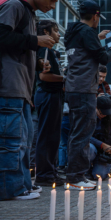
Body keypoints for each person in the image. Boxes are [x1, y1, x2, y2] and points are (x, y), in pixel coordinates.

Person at [0, 0, 56, 200]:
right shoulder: (14, 6)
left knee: (24, 142)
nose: (54, 6)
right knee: (11, 142)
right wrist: (35, 41)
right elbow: (2, 35)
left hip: (22, 90)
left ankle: (23, 184)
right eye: (52, 0)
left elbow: (18, 47)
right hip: (9, 87)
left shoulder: (29, 13)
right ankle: (10, 189)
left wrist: (39, 63)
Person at [64, 0, 111, 190]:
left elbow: (85, 51)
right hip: (84, 89)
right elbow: (103, 58)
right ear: (96, 16)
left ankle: (74, 175)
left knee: (77, 132)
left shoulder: (74, 31)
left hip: (74, 87)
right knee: (82, 133)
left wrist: (98, 38)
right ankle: (75, 177)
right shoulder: (87, 32)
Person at [34, 20, 66, 187]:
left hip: (54, 95)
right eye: (55, 30)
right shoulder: (44, 49)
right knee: (47, 136)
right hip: (48, 94)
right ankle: (44, 174)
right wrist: (66, 79)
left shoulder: (51, 51)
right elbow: (44, 76)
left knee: (53, 137)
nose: (59, 34)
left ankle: (50, 172)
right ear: (46, 32)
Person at [87, 96, 111, 180]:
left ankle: (99, 167)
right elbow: (85, 136)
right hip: (92, 145)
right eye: (101, 113)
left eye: (106, 113)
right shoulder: (89, 113)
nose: (104, 115)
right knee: (89, 148)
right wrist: (102, 145)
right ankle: (86, 169)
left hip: (106, 150)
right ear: (96, 107)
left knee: (99, 176)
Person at [58, 103, 70, 173]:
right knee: (68, 142)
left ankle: (61, 164)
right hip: (68, 115)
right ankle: (67, 164)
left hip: (62, 115)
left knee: (62, 143)